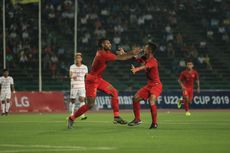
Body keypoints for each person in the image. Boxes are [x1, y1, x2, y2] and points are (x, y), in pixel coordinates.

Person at [67, 38, 142, 128]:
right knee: (90, 105)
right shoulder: (102, 54)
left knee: (114, 92)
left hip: (98, 79)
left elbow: (120, 57)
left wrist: (126, 54)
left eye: (110, 42)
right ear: (102, 45)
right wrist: (132, 53)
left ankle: (116, 116)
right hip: (91, 81)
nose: (110, 44)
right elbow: (120, 58)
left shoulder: (105, 53)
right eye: (107, 43)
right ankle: (72, 118)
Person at [128, 42, 162, 129]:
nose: (144, 48)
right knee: (135, 98)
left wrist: (136, 69)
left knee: (151, 101)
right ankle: (137, 119)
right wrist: (124, 53)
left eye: (145, 47)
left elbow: (145, 67)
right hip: (149, 85)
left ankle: (154, 123)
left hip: (156, 85)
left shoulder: (153, 61)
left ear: (150, 50)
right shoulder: (144, 57)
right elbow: (134, 57)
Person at [69, 53, 88, 120]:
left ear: (81, 59)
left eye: (79, 58)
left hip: (82, 85)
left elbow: (87, 76)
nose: (77, 59)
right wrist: (72, 76)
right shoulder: (72, 67)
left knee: (82, 99)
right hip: (74, 85)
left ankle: (82, 114)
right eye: (76, 58)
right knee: (73, 100)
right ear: (75, 59)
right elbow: (70, 75)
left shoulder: (85, 67)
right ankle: (71, 114)